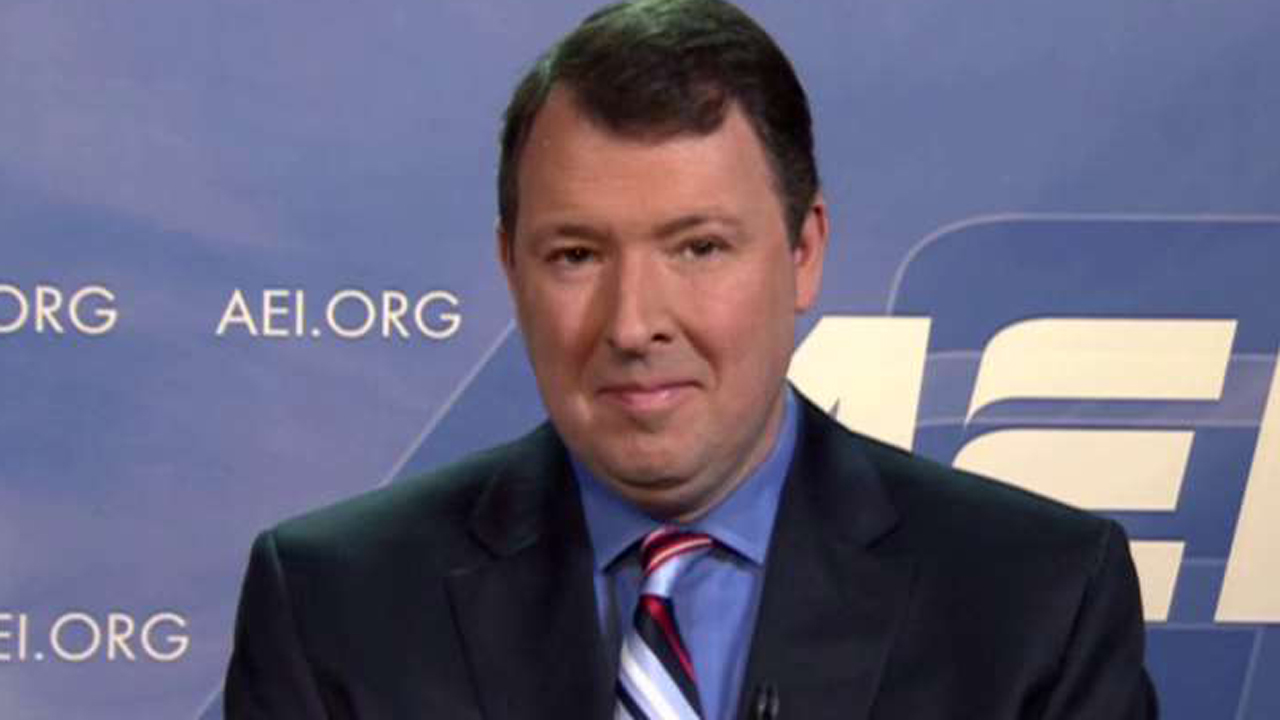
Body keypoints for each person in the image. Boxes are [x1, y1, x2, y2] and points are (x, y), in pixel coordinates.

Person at [224, 0, 1158, 717]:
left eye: (699, 248)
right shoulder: (333, 604)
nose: (633, 325)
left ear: (804, 252)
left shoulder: (1036, 601)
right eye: (576, 255)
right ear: (511, 268)